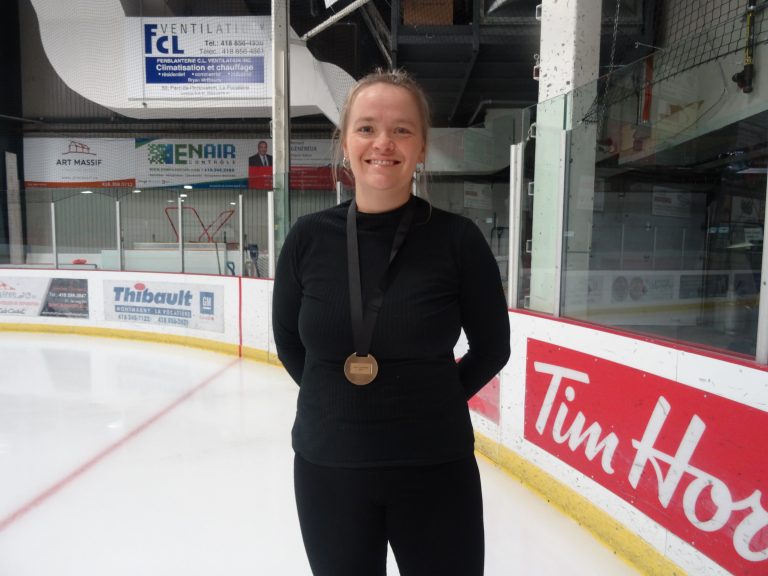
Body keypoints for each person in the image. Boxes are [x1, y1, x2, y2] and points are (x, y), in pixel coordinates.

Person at [272, 69, 510, 576]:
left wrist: (434, 400)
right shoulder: (307, 238)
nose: (383, 142)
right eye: (367, 128)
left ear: (421, 147)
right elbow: (290, 342)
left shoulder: (457, 240)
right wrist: (336, 401)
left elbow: (493, 347)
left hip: (435, 467)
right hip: (329, 468)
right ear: (345, 143)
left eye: (402, 129)